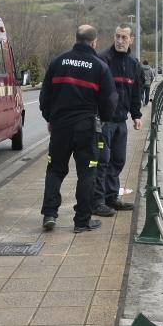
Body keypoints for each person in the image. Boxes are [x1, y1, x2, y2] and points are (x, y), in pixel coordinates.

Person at [39, 25, 118, 233]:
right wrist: (103, 119)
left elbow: (44, 96)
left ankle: (49, 214)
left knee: (55, 169)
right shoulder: (100, 67)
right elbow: (109, 102)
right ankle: (82, 221)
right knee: (87, 172)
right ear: (94, 42)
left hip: (60, 127)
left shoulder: (58, 62)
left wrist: (51, 118)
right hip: (86, 127)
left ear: (76, 39)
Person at [92, 23, 142, 218]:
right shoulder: (103, 60)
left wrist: (136, 115)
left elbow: (135, 93)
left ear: (131, 40)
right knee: (101, 161)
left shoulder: (133, 64)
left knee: (118, 160)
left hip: (121, 122)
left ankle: (111, 197)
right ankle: (98, 201)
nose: (120, 41)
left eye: (124, 37)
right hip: (104, 122)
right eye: (117, 37)